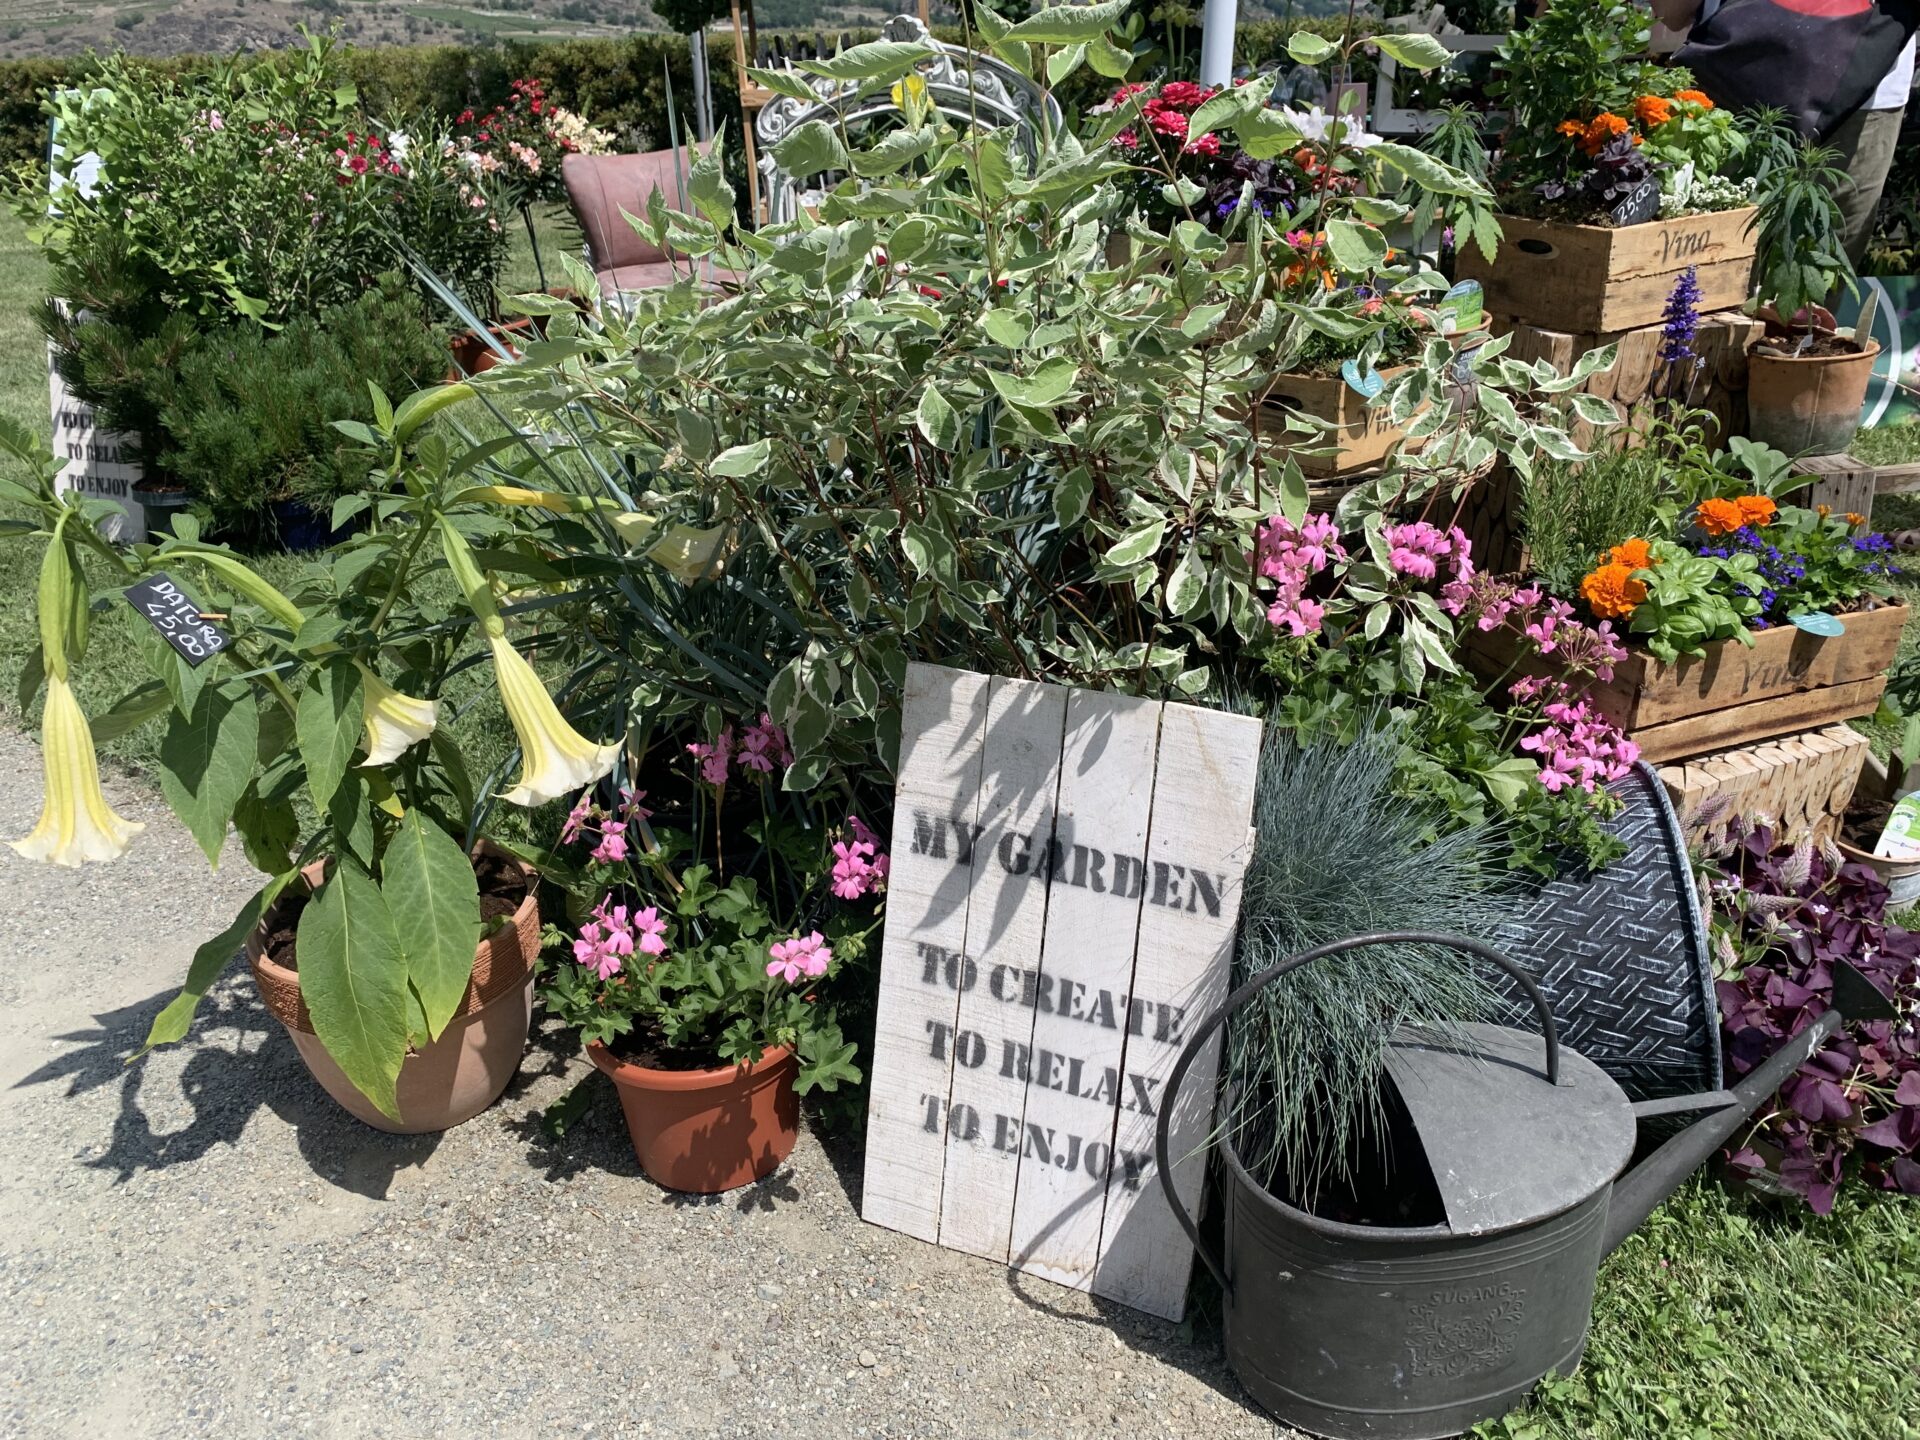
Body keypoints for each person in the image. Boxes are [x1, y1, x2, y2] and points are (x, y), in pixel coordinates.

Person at [1653, 0, 1915, 268]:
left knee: (1800, 282)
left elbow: (1671, 13)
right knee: (1707, 273)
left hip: (1854, 90)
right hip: (1735, 71)